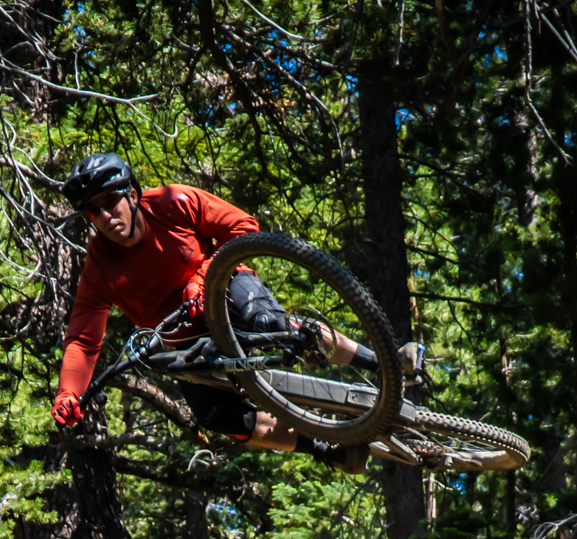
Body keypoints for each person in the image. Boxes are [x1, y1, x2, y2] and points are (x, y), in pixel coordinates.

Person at [49, 152, 404, 468]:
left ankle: (385, 364)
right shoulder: (99, 269)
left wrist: (204, 279)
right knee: (218, 416)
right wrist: (68, 391)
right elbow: (82, 340)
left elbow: (242, 227)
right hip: (185, 340)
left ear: (131, 193)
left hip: (225, 288)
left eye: (111, 200)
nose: (106, 215)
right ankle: (326, 449)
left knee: (267, 323)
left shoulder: (174, 203)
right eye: (93, 210)